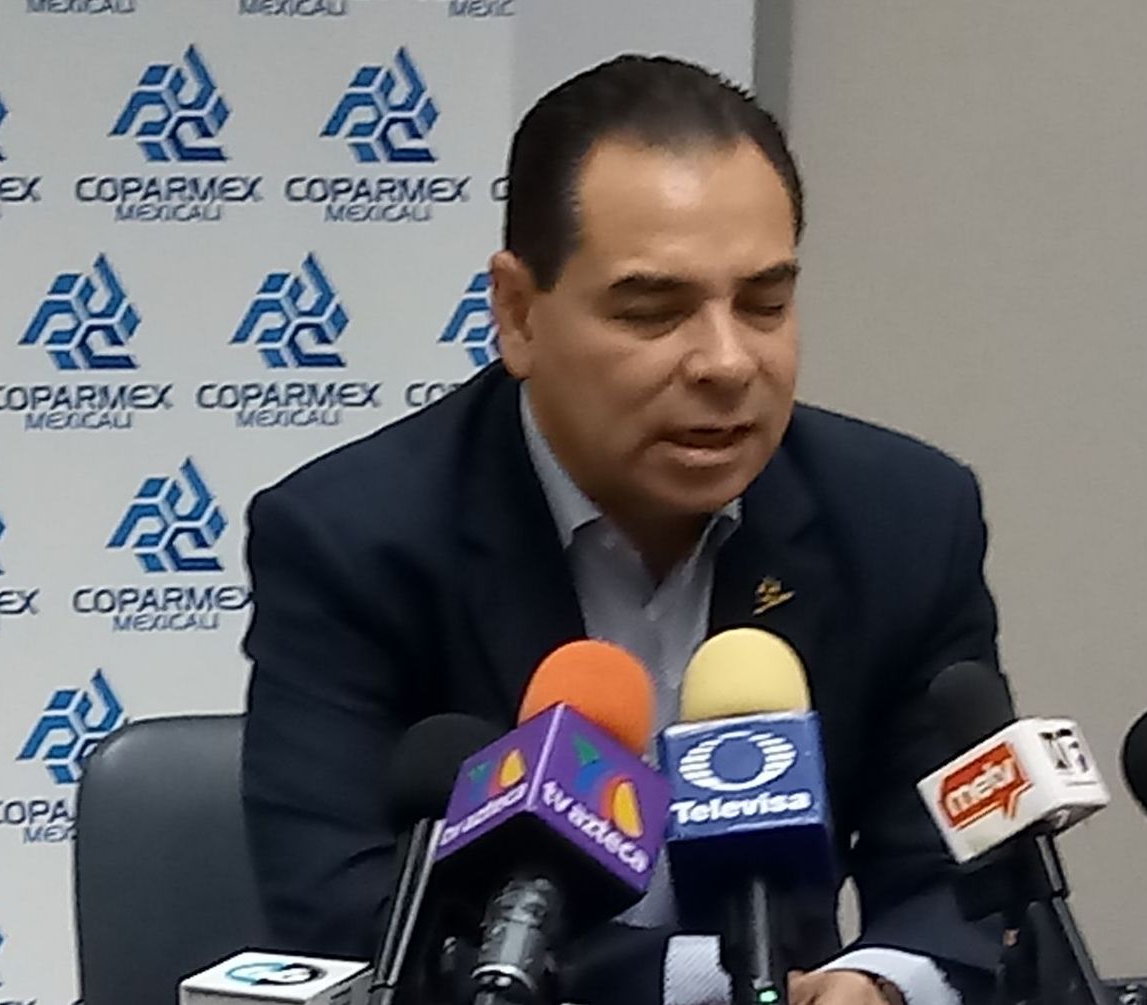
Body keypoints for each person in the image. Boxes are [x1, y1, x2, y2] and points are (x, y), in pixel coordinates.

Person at [242, 55, 1004, 1005]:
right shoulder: (353, 540)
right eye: (653, 312)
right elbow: (347, 913)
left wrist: (878, 984)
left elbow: (965, 876)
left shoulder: (903, 519)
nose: (727, 362)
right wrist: (717, 986)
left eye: (764, 304)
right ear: (518, 314)